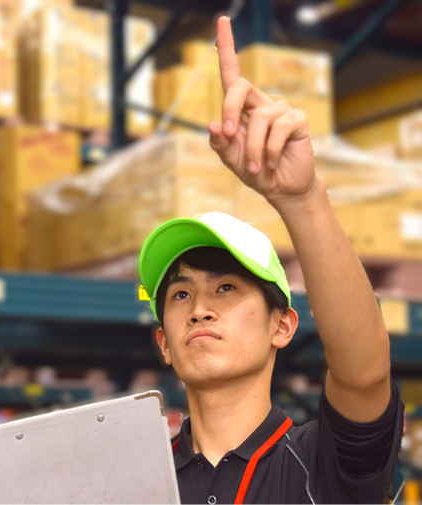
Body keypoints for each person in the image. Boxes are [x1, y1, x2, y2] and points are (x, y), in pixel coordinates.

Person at [138, 17, 403, 504]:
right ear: (164, 344)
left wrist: (302, 199)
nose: (199, 309)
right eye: (180, 294)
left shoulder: (323, 464)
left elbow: (365, 375)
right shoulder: (135, 484)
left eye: (226, 288)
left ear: (282, 325)